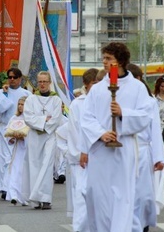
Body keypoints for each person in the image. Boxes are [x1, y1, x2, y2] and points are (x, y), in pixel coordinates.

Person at [81, 42, 153, 231]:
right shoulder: (97, 89)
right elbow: (86, 117)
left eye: (108, 58)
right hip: (100, 151)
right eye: (103, 58)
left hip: (124, 150)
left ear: (120, 60)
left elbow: (145, 116)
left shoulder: (137, 88)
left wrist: (124, 113)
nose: (104, 62)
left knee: (121, 197)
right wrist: (100, 133)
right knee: (97, 195)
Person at [127, 64, 164, 232]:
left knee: (143, 194)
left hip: (143, 151)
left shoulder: (149, 102)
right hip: (123, 150)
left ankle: (142, 225)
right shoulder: (118, 99)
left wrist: (158, 157)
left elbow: (155, 130)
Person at [22, 71, 62, 210]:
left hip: (49, 136)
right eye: (40, 82)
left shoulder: (56, 100)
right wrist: (44, 119)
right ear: (37, 82)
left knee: (46, 165)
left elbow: (56, 118)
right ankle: (35, 200)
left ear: (50, 82)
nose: (42, 84)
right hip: (34, 136)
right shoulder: (31, 99)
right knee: (35, 165)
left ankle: (45, 198)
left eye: (45, 81)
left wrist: (44, 125)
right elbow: (28, 117)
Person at [65, 68, 98, 232]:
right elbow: (75, 132)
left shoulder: (102, 101)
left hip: (99, 156)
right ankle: (79, 228)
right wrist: (79, 154)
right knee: (81, 195)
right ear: (86, 85)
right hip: (82, 159)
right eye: (94, 84)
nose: (97, 87)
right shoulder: (78, 104)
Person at [0, 67, 31, 199]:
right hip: (5, 129)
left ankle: (17, 186)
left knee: (18, 159)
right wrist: (5, 95)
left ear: (20, 79)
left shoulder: (26, 94)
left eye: (14, 77)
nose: (12, 80)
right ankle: (4, 187)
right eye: (10, 77)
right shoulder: (1, 93)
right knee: (5, 159)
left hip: (21, 130)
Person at [4, 96, 29, 205]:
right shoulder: (14, 118)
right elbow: (7, 131)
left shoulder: (30, 118)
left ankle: (24, 197)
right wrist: (13, 137)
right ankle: (13, 194)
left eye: (22, 104)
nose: (20, 106)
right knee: (15, 170)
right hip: (18, 148)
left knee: (24, 172)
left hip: (27, 149)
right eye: (19, 104)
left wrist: (24, 137)